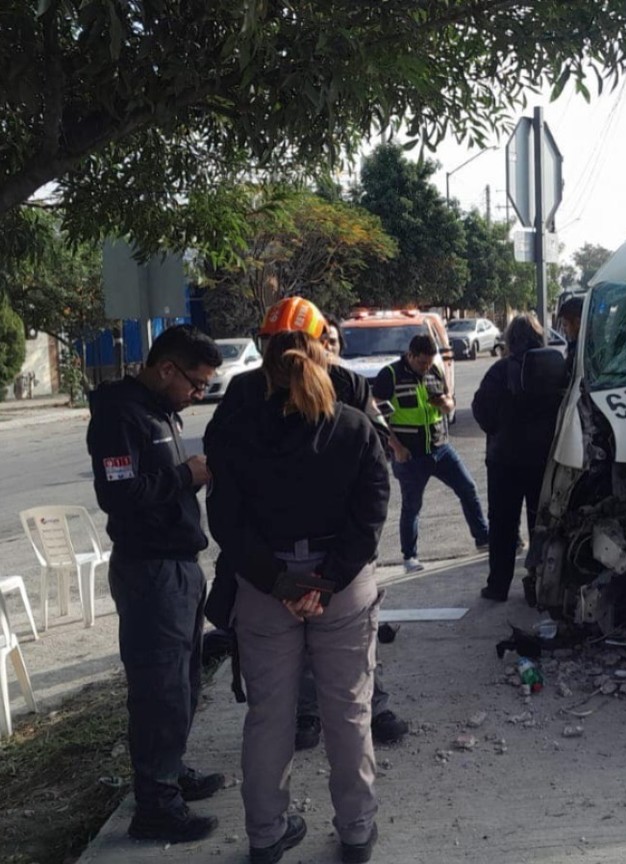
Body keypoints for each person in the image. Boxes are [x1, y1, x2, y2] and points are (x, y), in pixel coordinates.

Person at [207, 330, 389, 864]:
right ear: (323, 362)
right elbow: (372, 512)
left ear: (265, 369)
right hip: (342, 586)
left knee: (270, 716)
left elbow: (226, 522)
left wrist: (283, 584)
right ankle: (356, 833)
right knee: (349, 711)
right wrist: (327, 579)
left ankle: (266, 836)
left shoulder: (236, 433)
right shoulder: (354, 428)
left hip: (267, 590)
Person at [204, 298, 408, 749]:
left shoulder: (347, 384)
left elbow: (372, 465)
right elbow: (224, 474)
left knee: (352, 647)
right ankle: (307, 714)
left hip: (334, 552)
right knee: (290, 654)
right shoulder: (243, 393)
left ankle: (370, 706)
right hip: (268, 552)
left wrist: (334, 569)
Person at [85, 324, 225, 843]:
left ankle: (172, 770)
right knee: (159, 692)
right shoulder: (120, 414)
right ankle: (156, 804)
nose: (199, 393)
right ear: (166, 368)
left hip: (180, 566)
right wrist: (187, 476)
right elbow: (119, 495)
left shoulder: (161, 409)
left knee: (184, 684)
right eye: (196, 382)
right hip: (149, 572)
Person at [374, 334, 489, 571]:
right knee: (412, 506)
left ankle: (483, 538)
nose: (425, 367)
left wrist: (445, 404)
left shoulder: (434, 372)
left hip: (440, 447)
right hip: (410, 454)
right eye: (421, 363)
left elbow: (450, 402)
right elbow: (377, 416)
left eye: (429, 363)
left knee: (468, 488)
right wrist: (396, 448)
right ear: (410, 355)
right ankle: (410, 557)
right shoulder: (391, 375)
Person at [472, 314, 565, 601]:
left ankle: (498, 585)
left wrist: (499, 430)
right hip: (543, 459)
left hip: (505, 460)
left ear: (510, 340)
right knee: (541, 522)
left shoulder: (500, 371)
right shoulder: (555, 368)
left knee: (502, 524)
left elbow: (481, 410)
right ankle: (539, 584)